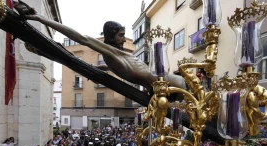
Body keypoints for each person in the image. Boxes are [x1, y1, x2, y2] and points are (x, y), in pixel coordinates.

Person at [13, 3, 186, 91]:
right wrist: (40, 18)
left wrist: (98, 67)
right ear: (110, 36)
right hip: (164, 83)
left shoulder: (115, 56)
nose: (123, 39)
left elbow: (112, 67)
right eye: (120, 35)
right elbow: (80, 37)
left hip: (163, 84)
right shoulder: (110, 52)